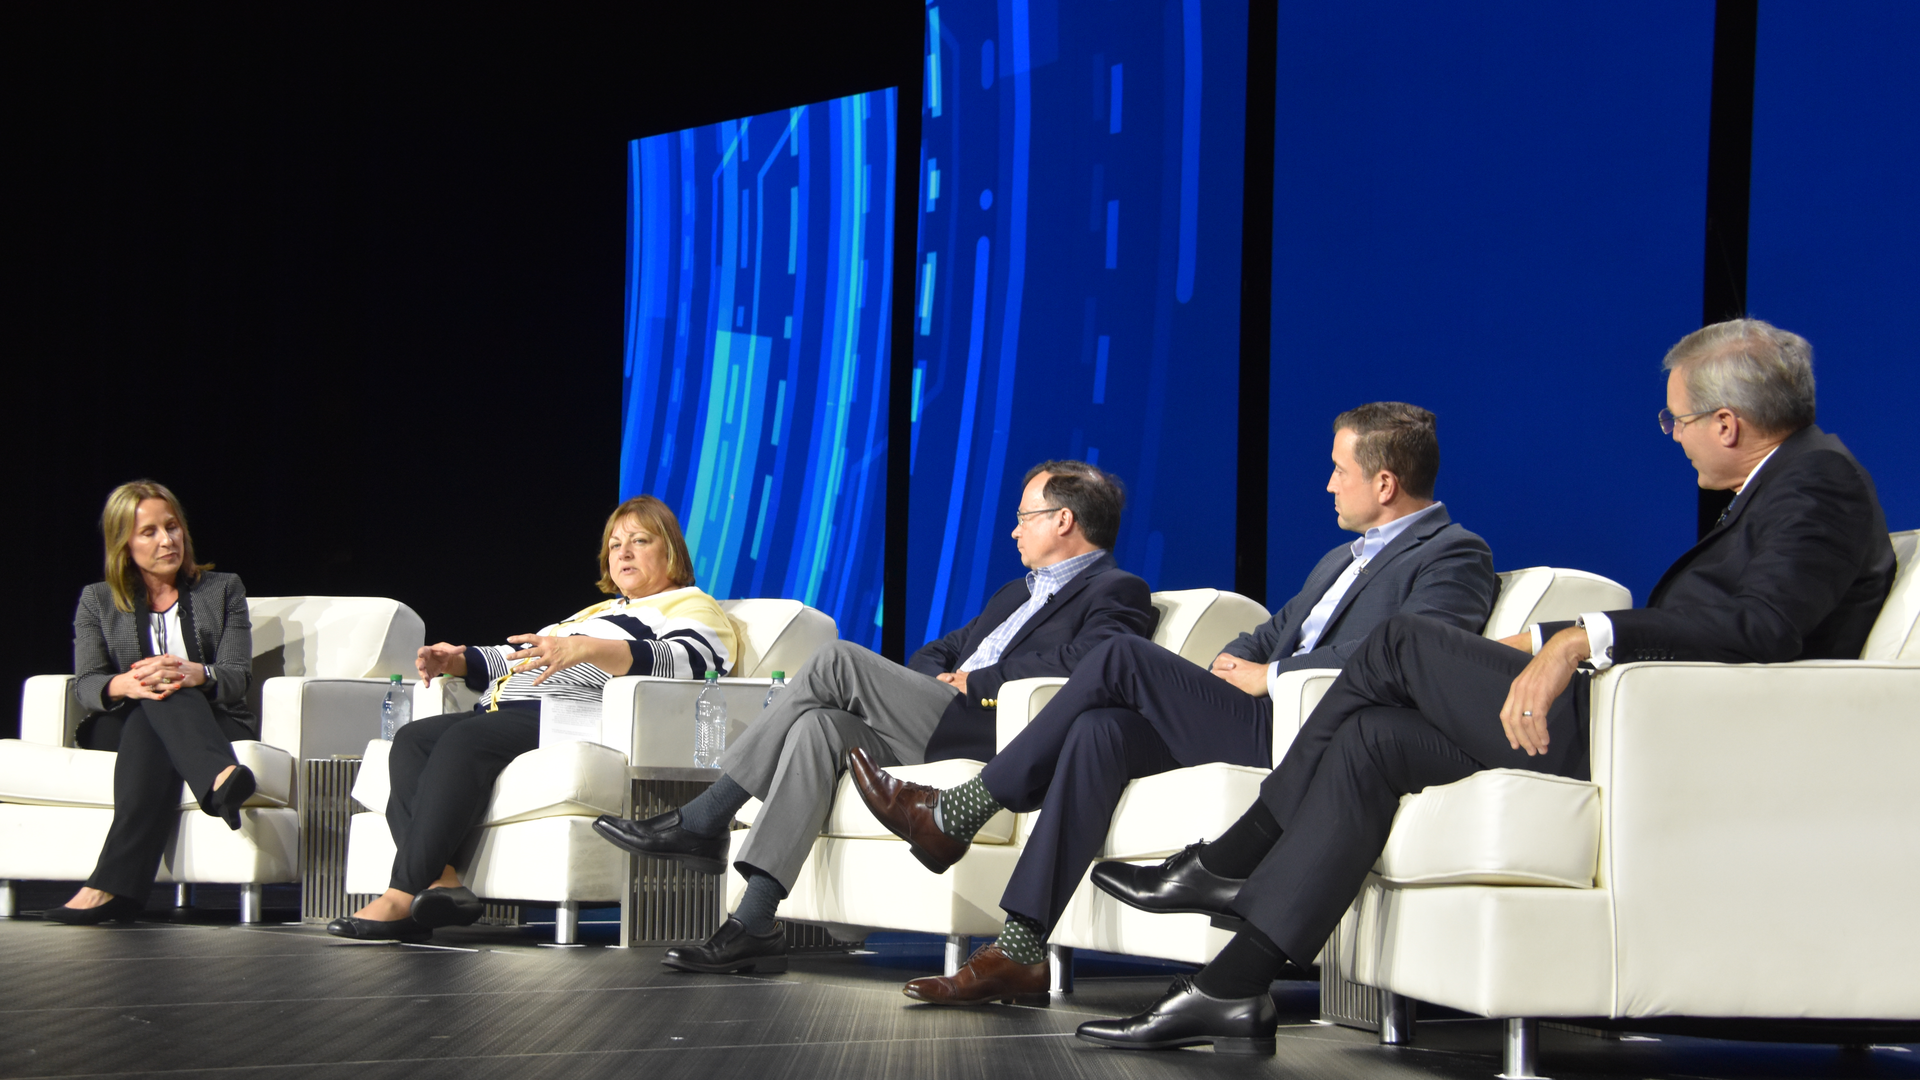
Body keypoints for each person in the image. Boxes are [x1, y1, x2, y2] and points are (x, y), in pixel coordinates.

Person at [1075, 318, 1898, 1055]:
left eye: (1676, 419)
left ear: (1728, 422)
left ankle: (1236, 854)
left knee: (1399, 642)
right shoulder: (1783, 485)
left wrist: (1581, 635)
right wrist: (1552, 640)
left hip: (1668, 745)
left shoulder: (1816, 483)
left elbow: (1761, 632)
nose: (1673, 436)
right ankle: (1231, 989)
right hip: (1637, 722)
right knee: (1370, 740)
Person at [851, 402, 1501, 1004]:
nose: (1329, 485)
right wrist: (1238, 659)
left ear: (1384, 484)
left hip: (1311, 735)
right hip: (1263, 714)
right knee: (1100, 731)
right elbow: (1267, 633)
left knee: (1119, 657)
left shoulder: (1454, 554)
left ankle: (960, 812)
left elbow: (1405, 659)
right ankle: (1020, 949)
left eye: (1339, 470)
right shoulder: (1338, 560)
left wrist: (1271, 676)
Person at [593, 461, 1159, 974]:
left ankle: (705, 816)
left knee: (837, 660)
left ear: (1063, 520)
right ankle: (755, 924)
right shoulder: (1016, 593)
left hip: (995, 729)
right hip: (944, 715)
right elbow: (940, 649)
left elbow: (1096, 660)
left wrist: (976, 681)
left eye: (1024, 517)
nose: (1014, 530)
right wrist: (941, 676)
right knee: (818, 727)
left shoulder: (1119, 589)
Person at [327, 495, 737, 942]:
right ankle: (444, 882)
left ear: (671, 551)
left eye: (639, 541)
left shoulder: (689, 605)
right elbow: (525, 655)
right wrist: (460, 661)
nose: (623, 553)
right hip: (511, 710)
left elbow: (694, 659)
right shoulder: (599, 613)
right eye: (615, 544)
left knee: (464, 741)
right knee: (412, 739)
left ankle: (401, 894)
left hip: (570, 718)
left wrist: (586, 648)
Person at [47, 481, 257, 925]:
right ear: (123, 542)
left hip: (213, 719)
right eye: (149, 532)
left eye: (173, 527)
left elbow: (237, 676)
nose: (167, 540)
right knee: (152, 695)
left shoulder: (222, 590)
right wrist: (129, 683)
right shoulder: (97, 600)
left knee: (166, 692)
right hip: (120, 721)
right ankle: (217, 778)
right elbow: (85, 683)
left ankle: (109, 888)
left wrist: (195, 673)